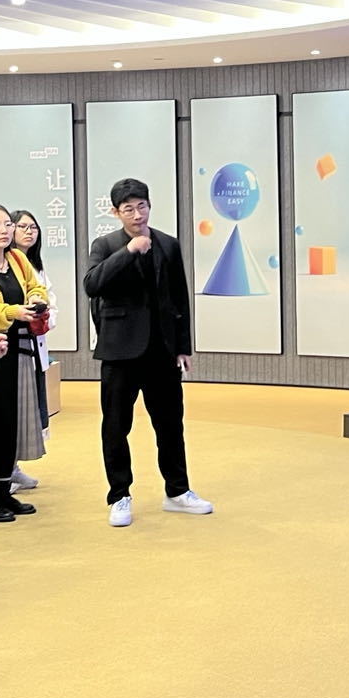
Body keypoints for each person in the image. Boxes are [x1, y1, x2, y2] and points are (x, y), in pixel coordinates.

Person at [84, 179, 212, 528]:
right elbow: (92, 284)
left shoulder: (168, 244)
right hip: (119, 351)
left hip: (162, 351)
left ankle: (178, 491)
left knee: (170, 424)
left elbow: (179, 297)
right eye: (128, 209)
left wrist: (183, 346)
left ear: (150, 206)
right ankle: (119, 495)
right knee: (115, 426)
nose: (137, 214)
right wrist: (129, 252)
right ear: (115, 212)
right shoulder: (106, 245)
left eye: (141, 206)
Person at [0, 205, 49, 523]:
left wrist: (36, 299)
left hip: (17, 348)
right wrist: (12, 312)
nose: (5, 230)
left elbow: (35, 286)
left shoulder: (16, 257)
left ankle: (4, 491)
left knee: (9, 423)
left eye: (7, 224)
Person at [8, 210, 52, 491]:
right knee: (13, 410)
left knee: (28, 410)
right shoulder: (3, 265)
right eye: (22, 226)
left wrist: (45, 314)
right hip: (12, 341)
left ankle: (13, 467)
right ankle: (5, 470)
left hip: (35, 342)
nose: (29, 232)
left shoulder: (34, 265)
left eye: (33, 227)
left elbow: (50, 300)